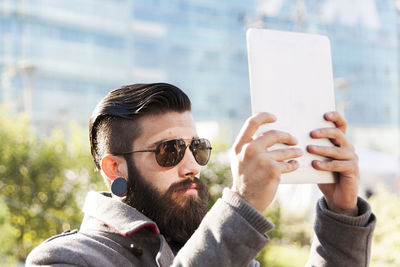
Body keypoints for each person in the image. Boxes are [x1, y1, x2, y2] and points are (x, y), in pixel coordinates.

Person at [26, 83, 376, 267]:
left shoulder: (214, 247)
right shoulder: (67, 258)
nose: (192, 165)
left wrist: (341, 215)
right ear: (114, 168)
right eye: (170, 151)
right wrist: (240, 207)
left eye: (198, 148)